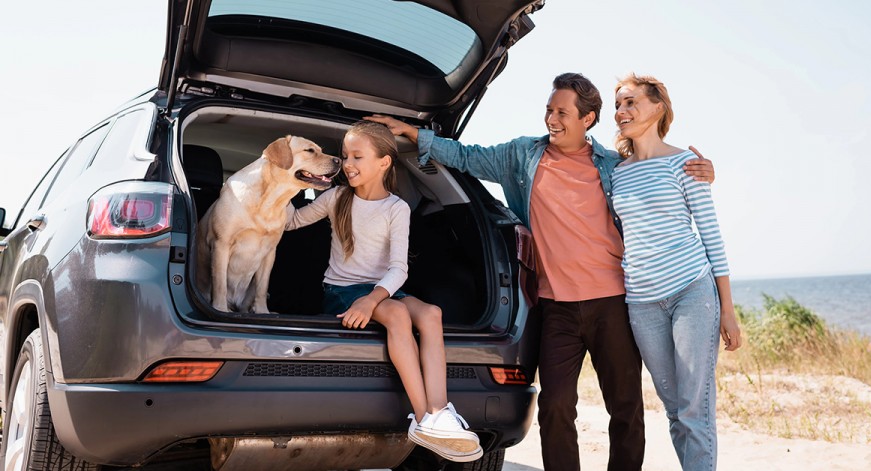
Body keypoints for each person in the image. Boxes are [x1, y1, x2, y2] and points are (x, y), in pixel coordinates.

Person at [366, 72, 715, 471]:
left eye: (562, 112)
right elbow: (466, 156)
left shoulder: (614, 166)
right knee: (555, 407)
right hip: (557, 309)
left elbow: (656, 183)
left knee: (626, 409)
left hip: (612, 303)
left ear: (588, 119)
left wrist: (700, 170)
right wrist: (413, 134)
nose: (552, 119)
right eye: (549, 110)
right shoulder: (522, 156)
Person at [283, 120, 483, 463]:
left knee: (432, 313)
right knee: (397, 313)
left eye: (357, 156)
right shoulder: (337, 197)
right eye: (346, 156)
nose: (347, 163)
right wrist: (286, 183)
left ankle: (440, 413)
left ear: (383, 163)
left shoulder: (396, 208)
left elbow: (398, 269)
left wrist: (373, 297)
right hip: (341, 289)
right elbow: (292, 222)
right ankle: (422, 419)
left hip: (380, 290)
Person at [610, 73, 742, 471]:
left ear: (658, 107)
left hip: (691, 292)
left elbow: (712, 236)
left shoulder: (686, 163)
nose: (621, 111)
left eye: (631, 102)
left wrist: (728, 309)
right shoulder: (616, 171)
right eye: (618, 105)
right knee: (673, 409)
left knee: (693, 409)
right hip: (642, 302)